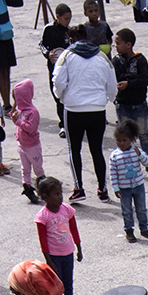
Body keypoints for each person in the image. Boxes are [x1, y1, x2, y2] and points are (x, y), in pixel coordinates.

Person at [54, 30, 115, 201]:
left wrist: (61, 96)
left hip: (74, 110)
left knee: (74, 149)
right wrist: (109, 98)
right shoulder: (102, 56)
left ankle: (78, 188)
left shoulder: (66, 55)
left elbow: (58, 81)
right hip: (97, 109)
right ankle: (102, 190)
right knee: (97, 150)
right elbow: (112, 84)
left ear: (71, 39)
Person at [112, 28, 148, 172]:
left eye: (118, 43)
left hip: (139, 104)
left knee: (143, 134)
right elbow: (117, 77)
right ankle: (125, 163)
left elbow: (145, 80)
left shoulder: (140, 60)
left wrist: (128, 83)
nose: (116, 47)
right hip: (123, 104)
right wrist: (130, 81)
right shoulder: (116, 61)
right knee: (124, 136)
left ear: (129, 44)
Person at [33, 175, 83, 295]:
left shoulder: (67, 210)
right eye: (56, 194)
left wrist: (79, 248)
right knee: (57, 285)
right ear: (46, 197)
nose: (60, 197)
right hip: (54, 257)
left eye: (61, 193)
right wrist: (48, 260)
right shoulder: (43, 216)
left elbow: (74, 229)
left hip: (68, 253)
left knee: (68, 283)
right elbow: (42, 240)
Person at [108, 118, 148, 241]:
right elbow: (113, 174)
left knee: (141, 208)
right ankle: (129, 230)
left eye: (124, 140)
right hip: (124, 189)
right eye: (118, 140)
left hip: (138, 186)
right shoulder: (115, 156)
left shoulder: (136, 151)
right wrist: (116, 188)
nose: (121, 143)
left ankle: (144, 228)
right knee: (126, 211)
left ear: (131, 139)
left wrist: (140, 155)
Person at [40, 2, 73, 129]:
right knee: (58, 96)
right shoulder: (49, 30)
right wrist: (48, 54)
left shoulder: (69, 31)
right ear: (57, 17)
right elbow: (42, 45)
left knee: (68, 94)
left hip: (68, 68)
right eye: (65, 19)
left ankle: (70, 122)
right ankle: (63, 124)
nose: (68, 21)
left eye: (69, 19)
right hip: (54, 68)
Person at [11, 79, 45, 202]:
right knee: (25, 169)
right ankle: (27, 188)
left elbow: (31, 128)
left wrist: (18, 121)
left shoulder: (32, 112)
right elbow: (15, 120)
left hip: (32, 146)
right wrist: (14, 110)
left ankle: (43, 186)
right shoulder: (20, 110)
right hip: (22, 145)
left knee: (37, 167)